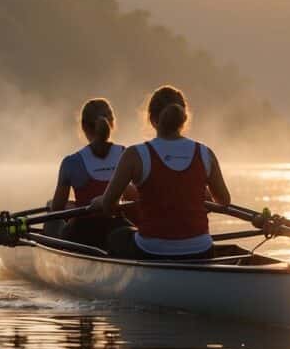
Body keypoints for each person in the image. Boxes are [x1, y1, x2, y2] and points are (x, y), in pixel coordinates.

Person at [89, 85, 231, 260]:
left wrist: (99, 201)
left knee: (115, 237)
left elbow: (109, 206)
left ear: (151, 119)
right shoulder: (205, 153)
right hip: (201, 250)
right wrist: (197, 194)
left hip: (152, 251)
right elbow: (224, 201)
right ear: (184, 118)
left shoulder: (135, 155)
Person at [49, 98, 135, 249]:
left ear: (83, 126)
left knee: (51, 213)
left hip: (82, 235)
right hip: (117, 229)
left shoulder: (71, 162)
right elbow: (134, 197)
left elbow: (57, 209)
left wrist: (64, 206)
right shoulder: (128, 155)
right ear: (112, 124)